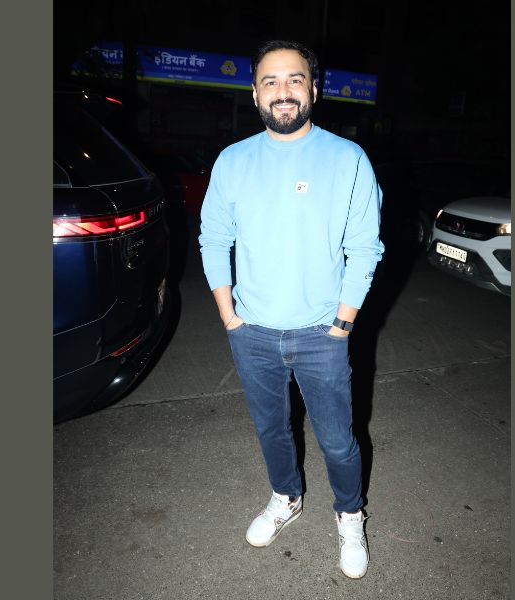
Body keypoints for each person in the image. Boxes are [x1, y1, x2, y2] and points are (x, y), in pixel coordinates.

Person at [198, 39, 384, 580]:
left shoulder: (348, 159)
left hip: (322, 333)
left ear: (314, 90)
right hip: (251, 331)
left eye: (295, 79)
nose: (283, 91)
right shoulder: (233, 161)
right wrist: (230, 316)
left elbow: (364, 247)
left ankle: (350, 515)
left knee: (338, 441)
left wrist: (342, 323)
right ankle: (286, 497)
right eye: (271, 81)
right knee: (272, 430)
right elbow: (214, 239)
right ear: (255, 93)